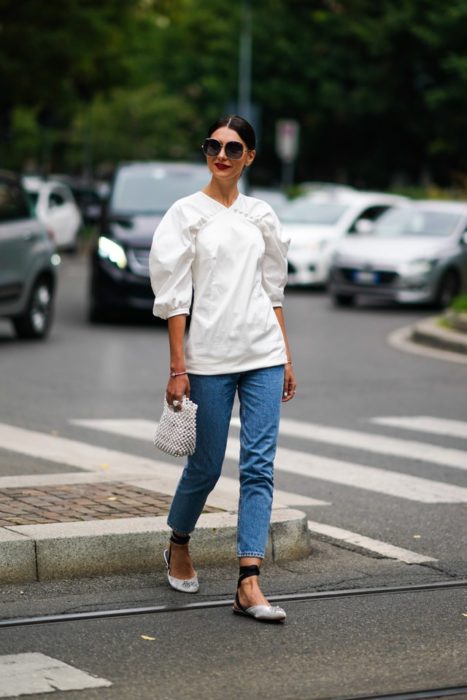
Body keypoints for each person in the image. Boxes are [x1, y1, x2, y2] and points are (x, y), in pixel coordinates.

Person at [149, 115, 296, 622]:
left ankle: (248, 581)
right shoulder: (186, 214)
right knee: (206, 467)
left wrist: (286, 355)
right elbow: (173, 297)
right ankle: (179, 541)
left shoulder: (262, 216)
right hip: (208, 358)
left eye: (234, 148)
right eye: (214, 146)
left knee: (258, 466)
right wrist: (177, 366)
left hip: (263, 355)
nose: (223, 155)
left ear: (251, 156)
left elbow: (272, 290)